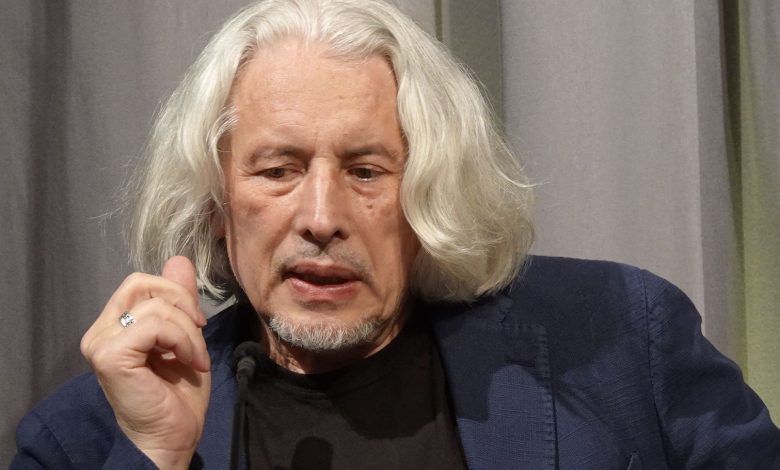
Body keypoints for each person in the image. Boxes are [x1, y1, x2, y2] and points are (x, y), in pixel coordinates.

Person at [12, 0, 779, 468]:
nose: (321, 216)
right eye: (278, 170)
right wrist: (156, 454)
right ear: (217, 202)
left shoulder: (617, 337)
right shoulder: (83, 438)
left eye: (367, 170)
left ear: (430, 192)